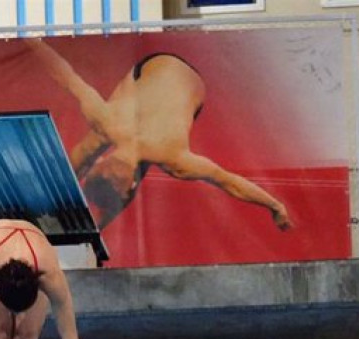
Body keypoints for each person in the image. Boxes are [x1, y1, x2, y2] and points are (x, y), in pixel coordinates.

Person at [25, 38, 293, 232]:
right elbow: (230, 182)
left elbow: (64, 73)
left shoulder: (174, 158)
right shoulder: (113, 123)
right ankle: (81, 219)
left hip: (184, 84)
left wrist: (276, 206)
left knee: (93, 143)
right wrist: (34, 41)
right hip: (159, 71)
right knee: (101, 139)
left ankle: (77, 217)